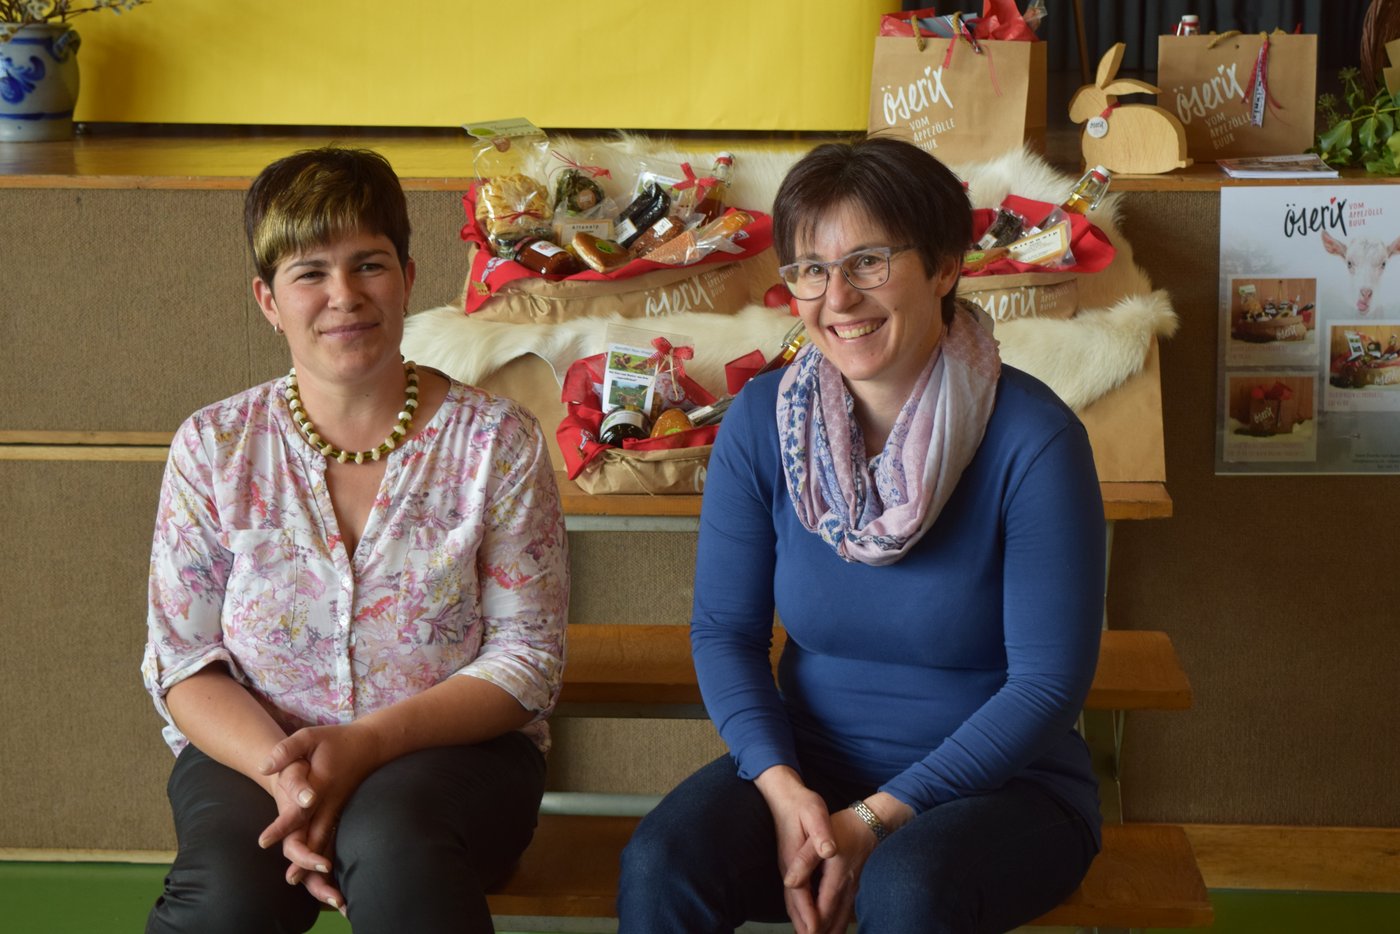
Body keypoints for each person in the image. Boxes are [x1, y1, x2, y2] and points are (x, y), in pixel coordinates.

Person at [617, 137, 1105, 934]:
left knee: (907, 890)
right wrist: (782, 789)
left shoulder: (1035, 439)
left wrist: (873, 820)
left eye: (868, 262)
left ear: (946, 266)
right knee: (662, 862)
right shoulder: (762, 422)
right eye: (810, 269)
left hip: (1007, 789)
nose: (837, 297)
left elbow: (1047, 686)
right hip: (812, 769)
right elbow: (724, 632)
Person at [141, 147, 569, 934]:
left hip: (453, 756)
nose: (344, 296)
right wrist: (292, 784)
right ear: (268, 299)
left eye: (368, 264)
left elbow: (527, 660)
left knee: (398, 848)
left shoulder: (497, 444)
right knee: (228, 895)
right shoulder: (215, 445)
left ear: (407, 277)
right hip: (253, 756)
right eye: (309, 273)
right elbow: (183, 659)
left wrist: (361, 747)